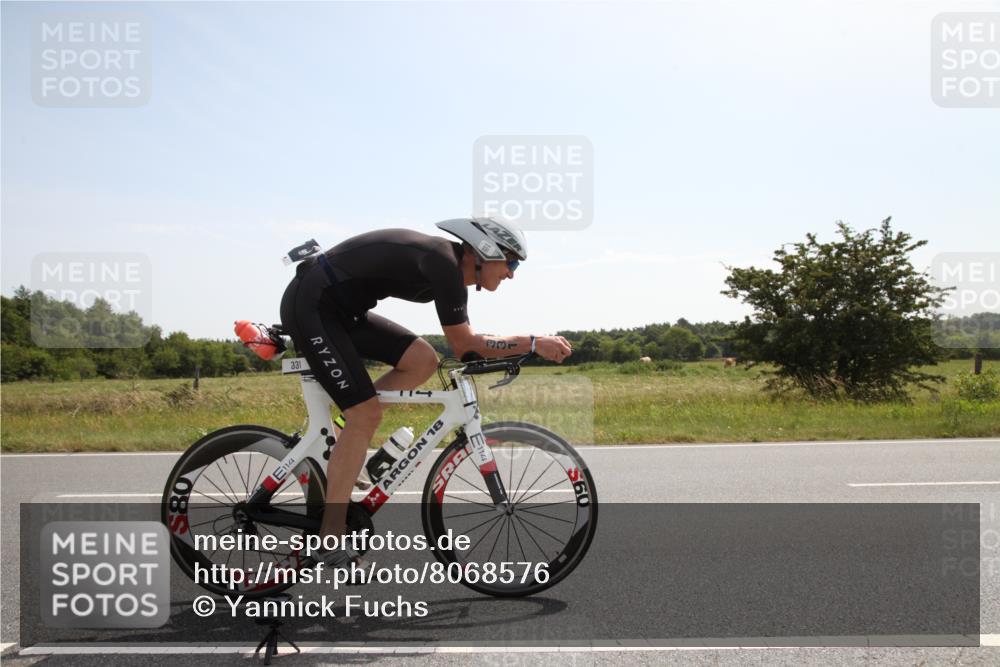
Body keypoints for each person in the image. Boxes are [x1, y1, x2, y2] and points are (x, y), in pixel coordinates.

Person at [279, 217, 573, 569]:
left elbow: (469, 346)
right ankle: (330, 537)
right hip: (313, 304)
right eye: (510, 262)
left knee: (422, 361)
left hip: (341, 311)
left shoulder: (448, 269)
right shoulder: (443, 263)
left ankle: (342, 433)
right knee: (366, 414)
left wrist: (522, 348)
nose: (511, 273)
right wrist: (534, 342)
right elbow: (466, 346)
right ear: (486, 251)